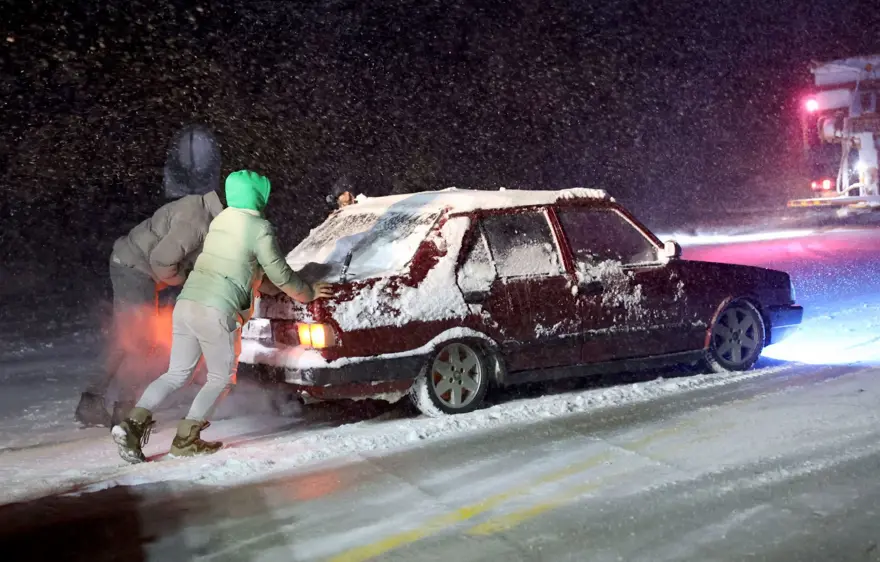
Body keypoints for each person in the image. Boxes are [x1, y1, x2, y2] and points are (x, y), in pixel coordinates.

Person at [112, 170, 332, 463]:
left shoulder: (220, 222)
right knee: (221, 378)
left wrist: (280, 285)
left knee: (176, 374)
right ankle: (186, 439)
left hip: (187, 304)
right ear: (259, 196)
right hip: (218, 310)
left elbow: (251, 272)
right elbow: (279, 273)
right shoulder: (259, 228)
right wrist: (307, 292)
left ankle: (131, 424)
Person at [75, 124, 225, 428]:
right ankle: (125, 410)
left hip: (128, 263)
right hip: (136, 269)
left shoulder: (203, 211)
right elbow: (161, 261)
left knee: (126, 339)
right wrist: (182, 279)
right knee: (140, 342)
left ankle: (91, 402)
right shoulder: (196, 219)